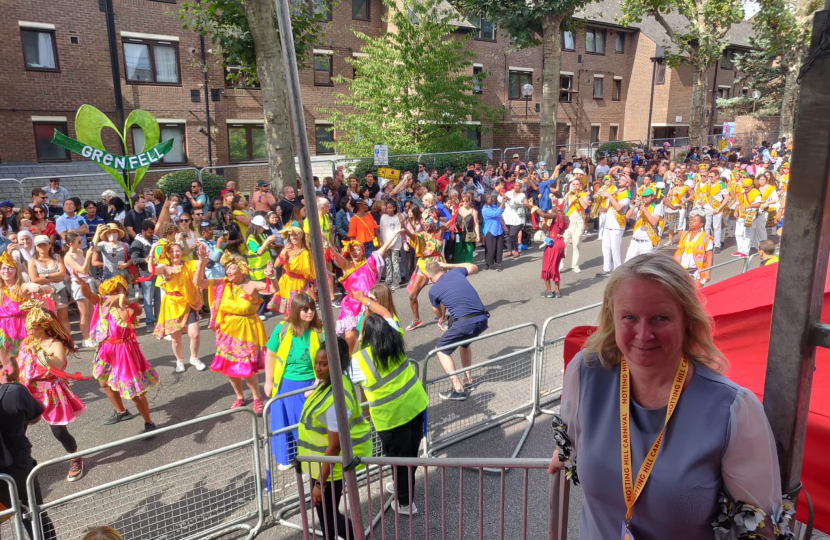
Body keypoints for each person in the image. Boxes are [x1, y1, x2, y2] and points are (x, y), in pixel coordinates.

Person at [547, 253, 793, 540]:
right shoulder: (585, 372)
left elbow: (761, 530)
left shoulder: (733, 410)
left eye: (660, 318)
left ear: (687, 320)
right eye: (629, 317)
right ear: (611, 316)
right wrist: (567, 454)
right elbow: (576, 439)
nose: (643, 334)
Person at [349, 295, 428, 515]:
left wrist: (357, 339)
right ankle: (403, 487)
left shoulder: (359, 360)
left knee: (400, 459)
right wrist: (364, 300)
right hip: (415, 405)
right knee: (411, 453)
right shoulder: (396, 338)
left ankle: (405, 503)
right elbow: (385, 314)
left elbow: (347, 366)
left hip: (391, 417)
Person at [298, 337, 372, 540]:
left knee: (330, 519)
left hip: (328, 469)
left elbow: (335, 446)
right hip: (322, 464)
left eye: (323, 364)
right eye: (316, 362)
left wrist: (319, 484)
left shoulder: (336, 400)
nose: (317, 368)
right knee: (327, 519)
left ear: (336, 364)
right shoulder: (334, 382)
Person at [17, 300, 87, 481]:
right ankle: (20, 464)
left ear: (43, 326)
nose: (28, 329)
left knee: (59, 432)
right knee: (18, 428)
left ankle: (75, 457)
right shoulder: (27, 341)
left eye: (31, 326)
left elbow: (59, 364)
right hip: (30, 389)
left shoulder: (55, 343)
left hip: (50, 390)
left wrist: (39, 353)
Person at [78, 276, 159, 431]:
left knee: (134, 391)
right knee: (104, 383)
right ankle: (121, 411)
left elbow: (138, 309)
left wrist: (123, 300)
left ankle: (149, 422)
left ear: (124, 291)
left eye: (118, 290)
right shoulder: (102, 303)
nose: (113, 294)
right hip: (105, 350)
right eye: (111, 292)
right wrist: (82, 284)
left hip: (124, 352)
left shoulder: (128, 308)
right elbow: (88, 294)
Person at [196, 249, 271, 413]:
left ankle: (257, 397)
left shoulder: (250, 285)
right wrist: (201, 262)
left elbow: (272, 289)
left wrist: (271, 276)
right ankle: (239, 396)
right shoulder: (222, 284)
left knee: (245, 366)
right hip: (226, 331)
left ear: (241, 269)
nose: (228, 271)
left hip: (246, 330)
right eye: (227, 268)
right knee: (229, 366)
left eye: (231, 268)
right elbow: (199, 283)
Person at [265, 293, 324, 469]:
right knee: (282, 422)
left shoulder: (319, 332)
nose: (310, 312)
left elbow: (328, 362)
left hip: (309, 385)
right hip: (284, 384)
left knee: (304, 423)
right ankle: (286, 457)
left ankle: (309, 459)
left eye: (312, 308)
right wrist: (268, 382)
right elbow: (270, 354)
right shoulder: (283, 329)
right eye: (305, 309)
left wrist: (316, 385)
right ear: (296, 310)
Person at [423, 261, 489, 401]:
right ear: (442, 269)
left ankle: (458, 389)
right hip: (482, 319)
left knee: (441, 349)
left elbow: (438, 313)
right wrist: (450, 266)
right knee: (464, 343)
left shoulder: (433, 291)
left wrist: (440, 310)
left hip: (465, 323)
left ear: (429, 278)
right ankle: (468, 380)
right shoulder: (456, 272)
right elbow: (474, 267)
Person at [327, 232, 398, 352]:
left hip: (367, 303)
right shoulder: (347, 266)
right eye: (352, 250)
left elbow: (384, 248)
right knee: (349, 339)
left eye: (358, 249)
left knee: (367, 336)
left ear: (362, 251)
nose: (355, 252)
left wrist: (395, 232)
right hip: (350, 306)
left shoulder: (369, 264)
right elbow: (334, 253)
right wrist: (326, 240)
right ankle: (350, 362)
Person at [152, 243, 207, 373]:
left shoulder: (188, 264)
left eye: (177, 251)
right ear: (168, 254)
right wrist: (151, 252)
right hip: (172, 305)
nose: (175, 254)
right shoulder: (165, 267)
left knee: (195, 334)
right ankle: (180, 360)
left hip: (188, 302)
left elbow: (200, 266)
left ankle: (194, 358)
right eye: (172, 252)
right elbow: (153, 271)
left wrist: (203, 260)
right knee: (176, 338)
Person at [398, 209, 446, 331]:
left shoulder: (440, 231)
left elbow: (452, 220)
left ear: (434, 222)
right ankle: (416, 320)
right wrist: (404, 228)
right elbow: (412, 236)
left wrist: (456, 206)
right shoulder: (422, 235)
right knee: (412, 296)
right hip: (424, 264)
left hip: (437, 264)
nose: (425, 224)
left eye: (428, 221)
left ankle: (442, 319)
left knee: (444, 294)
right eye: (424, 221)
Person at [28, 235, 72, 336]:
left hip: (60, 290)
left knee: (63, 317)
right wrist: (54, 278)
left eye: (44, 244)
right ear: (36, 247)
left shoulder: (57, 257)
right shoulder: (32, 261)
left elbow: (62, 274)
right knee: (47, 318)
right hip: (43, 293)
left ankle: (68, 340)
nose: (42, 247)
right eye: (40, 245)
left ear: (49, 245)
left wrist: (45, 276)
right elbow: (34, 279)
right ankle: (53, 339)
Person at [269, 226, 316, 316]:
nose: (293, 237)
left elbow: (311, 270)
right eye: (291, 235)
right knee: (288, 311)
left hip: (301, 283)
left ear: (301, 236)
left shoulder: (306, 251)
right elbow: (276, 265)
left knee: (301, 309)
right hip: (288, 282)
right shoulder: (287, 250)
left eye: (296, 235)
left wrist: (312, 288)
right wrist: (284, 252)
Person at [64, 230, 99, 347]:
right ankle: (86, 338)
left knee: (92, 312)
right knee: (84, 314)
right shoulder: (68, 256)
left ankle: (92, 335)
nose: (81, 243)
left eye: (81, 240)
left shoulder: (79, 251)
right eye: (78, 241)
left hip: (87, 283)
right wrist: (88, 256)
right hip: (78, 285)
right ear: (70, 243)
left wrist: (98, 231)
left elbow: (92, 247)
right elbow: (83, 270)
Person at [527, 201, 568, 298]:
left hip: (553, 243)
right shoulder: (566, 218)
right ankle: (558, 291)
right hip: (560, 242)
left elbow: (543, 214)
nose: (552, 208)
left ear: (558, 208)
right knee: (555, 267)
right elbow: (546, 227)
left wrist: (534, 207)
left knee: (546, 267)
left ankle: (549, 291)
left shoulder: (556, 215)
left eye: (554, 206)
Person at [245, 215, 279, 319]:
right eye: (262, 227)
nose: (263, 229)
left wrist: (269, 244)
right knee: (260, 292)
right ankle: (259, 312)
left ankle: (265, 309)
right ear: (256, 227)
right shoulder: (250, 239)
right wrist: (267, 241)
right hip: (257, 270)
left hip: (265, 268)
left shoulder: (259, 235)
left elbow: (263, 248)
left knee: (267, 289)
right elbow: (259, 251)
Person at [597, 175, 631, 277]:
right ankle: (606, 269)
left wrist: (609, 196)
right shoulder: (614, 191)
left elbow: (619, 208)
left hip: (617, 225)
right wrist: (597, 207)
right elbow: (608, 207)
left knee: (615, 249)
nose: (620, 180)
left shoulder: (626, 195)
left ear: (627, 184)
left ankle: (617, 270)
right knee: (605, 248)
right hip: (608, 223)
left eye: (623, 180)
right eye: (620, 179)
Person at [673, 210, 713, 288]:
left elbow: (710, 256)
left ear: (701, 224)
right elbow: (679, 251)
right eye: (691, 220)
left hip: (697, 271)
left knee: (697, 293)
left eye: (695, 221)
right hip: (682, 269)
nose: (691, 222)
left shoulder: (706, 238)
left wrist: (708, 273)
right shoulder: (684, 234)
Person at [130, 220, 158, 330]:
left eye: (153, 232)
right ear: (143, 231)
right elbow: (134, 259)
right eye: (150, 233)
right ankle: (150, 322)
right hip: (146, 275)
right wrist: (146, 259)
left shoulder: (155, 239)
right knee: (148, 301)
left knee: (158, 300)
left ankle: (159, 321)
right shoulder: (137, 243)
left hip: (157, 273)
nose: (152, 235)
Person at [624, 188, 664, 262]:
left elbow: (654, 222)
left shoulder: (656, 207)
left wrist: (645, 210)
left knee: (644, 264)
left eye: (647, 196)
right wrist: (635, 206)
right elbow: (627, 216)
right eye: (643, 196)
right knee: (628, 263)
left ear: (652, 197)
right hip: (635, 241)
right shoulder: (639, 207)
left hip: (647, 241)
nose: (644, 198)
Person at [562, 178, 590, 273]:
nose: (575, 186)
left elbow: (585, 206)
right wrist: (569, 192)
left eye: (577, 184)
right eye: (573, 184)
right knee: (564, 243)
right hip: (569, 222)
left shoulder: (583, 195)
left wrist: (578, 196)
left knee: (576, 244)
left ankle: (575, 265)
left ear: (580, 186)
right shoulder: (569, 195)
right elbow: (561, 203)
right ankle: (560, 265)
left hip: (579, 222)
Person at [734, 178, 763, 258]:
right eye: (744, 187)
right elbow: (738, 203)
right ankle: (739, 250)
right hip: (741, 215)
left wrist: (750, 206)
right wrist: (736, 211)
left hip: (751, 214)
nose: (745, 189)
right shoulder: (742, 192)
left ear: (751, 186)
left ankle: (745, 252)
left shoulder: (756, 193)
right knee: (738, 233)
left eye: (747, 187)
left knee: (747, 234)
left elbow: (758, 204)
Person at [379, 202, 403, 290]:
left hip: (395, 244)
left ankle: (396, 281)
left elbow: (397, 233)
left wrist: (390, 244)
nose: (388, 209)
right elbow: (381, 230)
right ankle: (388, 279)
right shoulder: (383, 217)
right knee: (388, 262)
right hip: (385, 244)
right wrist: (383, 243)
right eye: (387, 208)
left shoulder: (397, 218)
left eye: (390, 208)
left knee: (395, 262)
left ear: (394, 208)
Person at [481, 194, 506, 271]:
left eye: (491, 198)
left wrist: (503, 202)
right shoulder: (484, 209)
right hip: (490, 230)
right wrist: (502, 203)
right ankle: (488, 263)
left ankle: (499, 263)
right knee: (490, 248)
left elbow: (501, 210)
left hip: (498, 230)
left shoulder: (493, 206)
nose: (491, 199)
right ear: (485, 200)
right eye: (488, 198)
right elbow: (495, 214)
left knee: (499, 248)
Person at [454, 194, 480, 263]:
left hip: (469, 233)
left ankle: (468, 265)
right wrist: (452, 232)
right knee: (458, 250)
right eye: (463, 201)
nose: (465, 202)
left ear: (469, 202)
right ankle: (458, 265)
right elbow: (453, 222)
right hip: (458, 233)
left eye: (466, 201)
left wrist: (477, 235)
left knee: (469, 249)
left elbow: (476, 224)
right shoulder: (457, 210)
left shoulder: (473, 211)